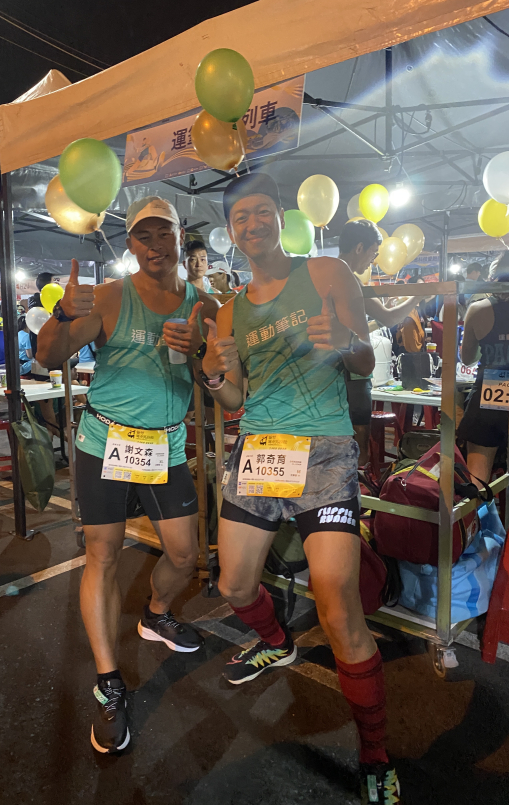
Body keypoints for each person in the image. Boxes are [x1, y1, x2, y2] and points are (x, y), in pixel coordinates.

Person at [195, 174, 400, 804]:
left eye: (261, 212)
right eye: (240, 218)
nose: (251, 224)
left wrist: (345, 343)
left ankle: (375, 753)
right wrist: (212, 375)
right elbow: (236, 396)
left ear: (280, 216)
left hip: (325, 452)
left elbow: (366, 361)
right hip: (259, 449)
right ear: (231, 232)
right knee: (234, 585)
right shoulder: (229, 310)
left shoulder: (329, 272)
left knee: (337, 603)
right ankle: (277, 642)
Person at [36, 195, 219, 754]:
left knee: (184, 556)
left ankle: (156, 615)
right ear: (130, 244)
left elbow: (222, 376)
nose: (155, 245)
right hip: (105, 441)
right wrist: (62, 315)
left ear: (180, 236)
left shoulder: (207, 304)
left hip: (165, 445)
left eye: (164, 233)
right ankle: (108, 682)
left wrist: (203, 349)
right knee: (103, 556)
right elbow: (49, 357)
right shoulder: (110, 296)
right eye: (144, 236)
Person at [339, 220, 419, 465]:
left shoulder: (322, 276)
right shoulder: (348, 279)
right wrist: (417, 297)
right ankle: (358, 480)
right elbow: (389, 318)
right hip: (352, 373)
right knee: (358, 436)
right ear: (359, 248)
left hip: (329, 372)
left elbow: (360, 325)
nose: (373, 261)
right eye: (373, 253)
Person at [458, 252, 509, 484]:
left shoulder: (478, 309)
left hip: (492, 388)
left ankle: (479, 508)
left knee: (477, 481)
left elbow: (467, 358)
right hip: (492, 389)